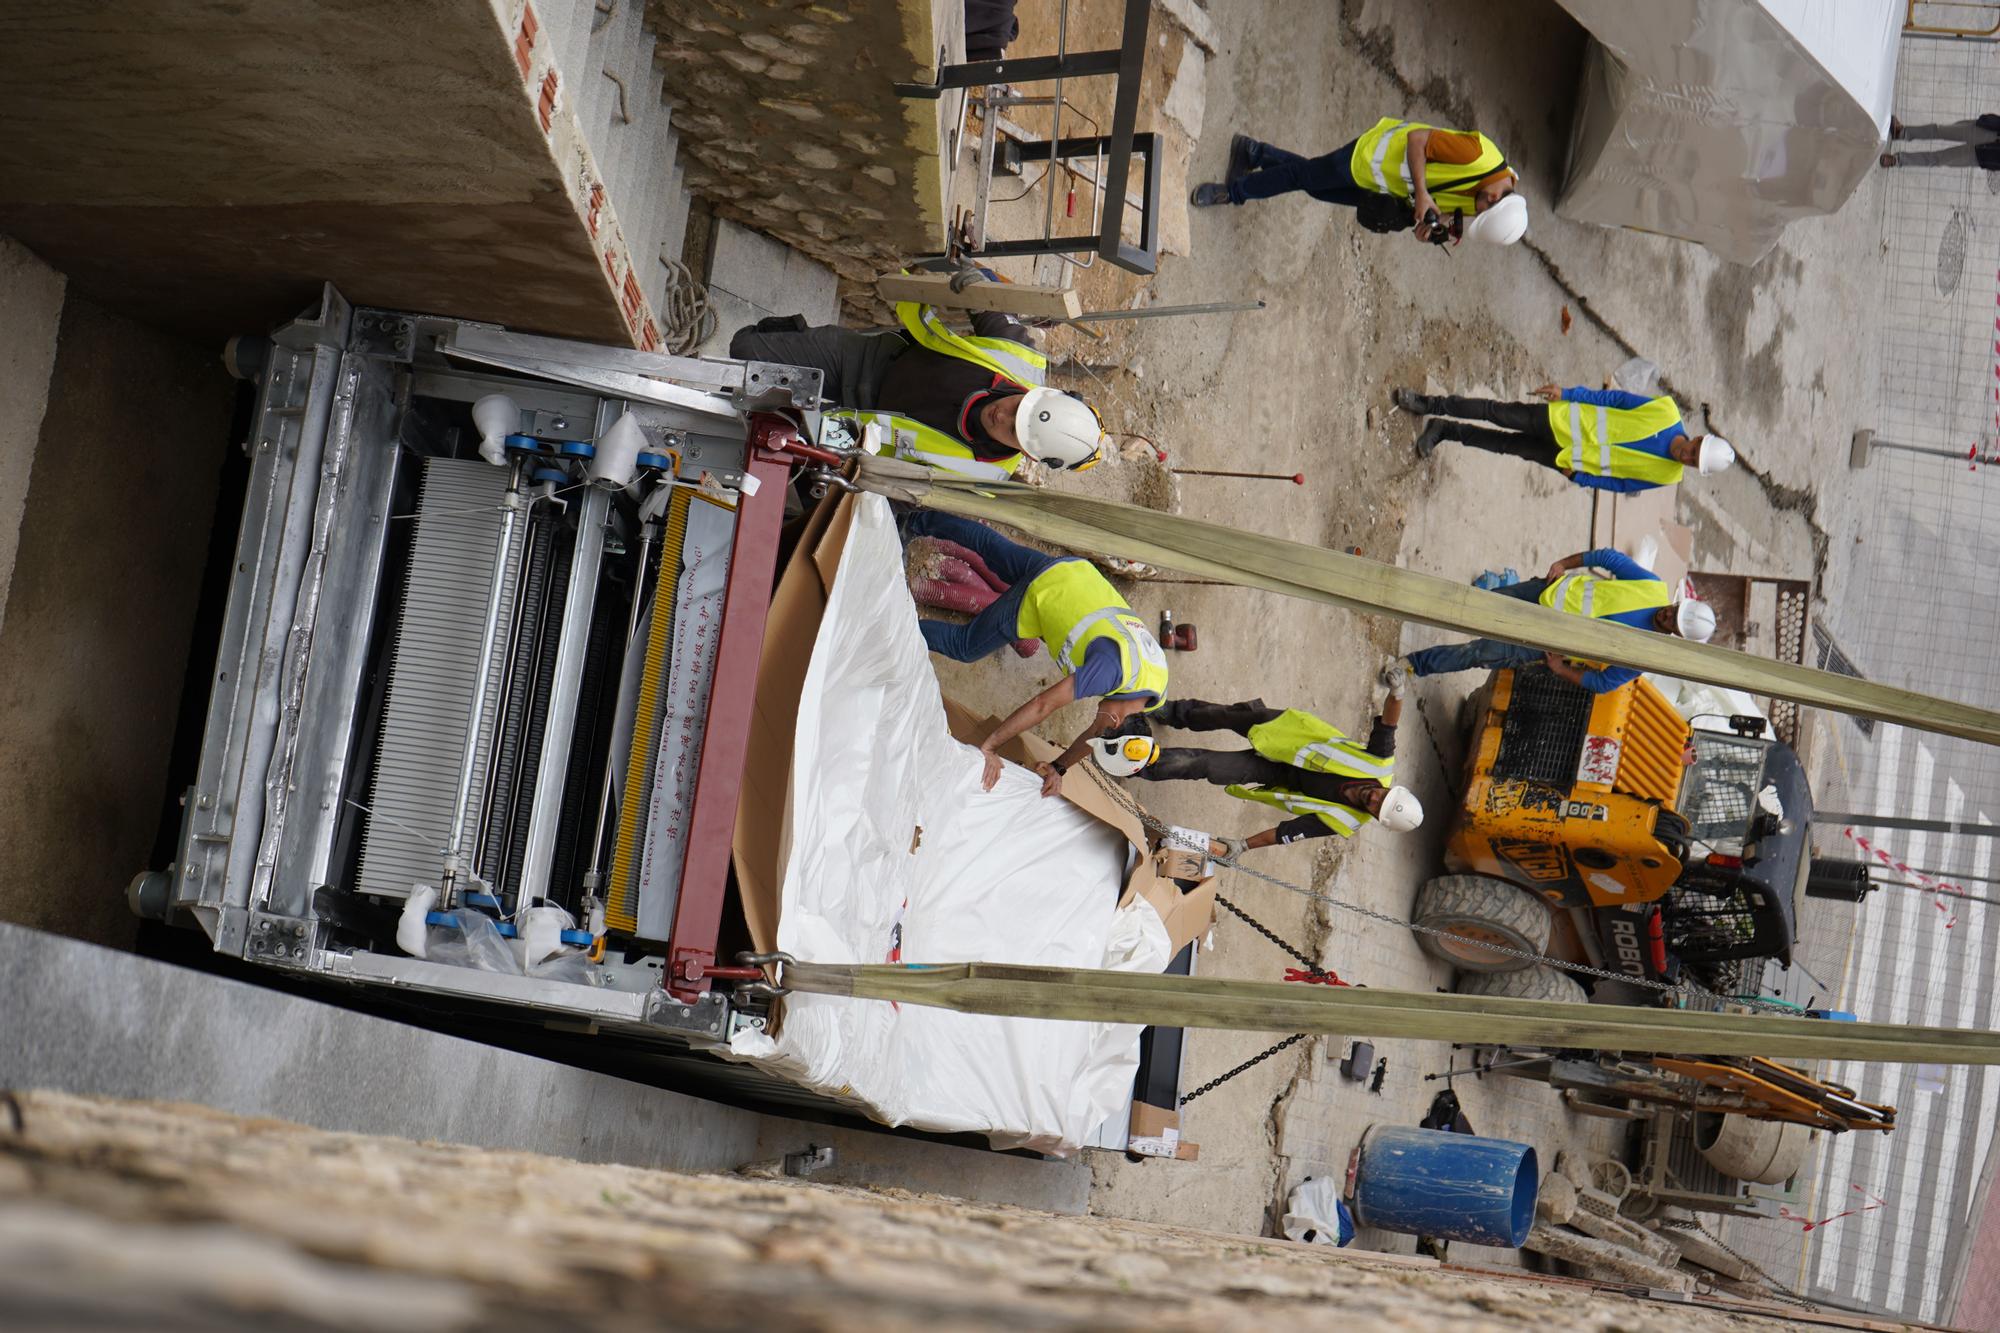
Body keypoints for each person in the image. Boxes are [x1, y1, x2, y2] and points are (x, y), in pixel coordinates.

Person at [899, 510, 1167, 797]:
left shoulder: (1153, 690)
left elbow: (1094, 734)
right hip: (1046, 596)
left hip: (1076, 575)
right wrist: (989, 746)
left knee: (994, 551)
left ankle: (913, 518)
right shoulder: (1110, 671)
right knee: (964, 646)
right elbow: (1043, 705)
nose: (1093, 725)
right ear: (1115, 722)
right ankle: (889, 621)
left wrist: (1059, 767)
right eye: (1100, 726)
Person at [728, 295, 1105, 478]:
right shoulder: (1017, 355)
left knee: (755, 428)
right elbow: (980, 291)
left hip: (855, 436)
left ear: (1026, 452)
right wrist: (961, 271)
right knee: (744, 352)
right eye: (1018, 407)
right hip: (867, 360)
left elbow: (910, 494)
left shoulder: (983, 474)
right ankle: (795, 335)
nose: (1002, 414)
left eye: (1013, 429)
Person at [1095, 690, 1422, 861]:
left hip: (1273, 772)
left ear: (1376, 817)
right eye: (1383, 794)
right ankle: (1174, 712)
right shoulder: (1378, 765)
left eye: (1378, 806)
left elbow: (1287, 833)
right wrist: (1398, 691)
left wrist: (1243, 845)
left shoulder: (1344, 822)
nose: (1375, 797)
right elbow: (1389, 724)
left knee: (1204, 766)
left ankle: (1136, 763)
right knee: (1225, 716)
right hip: (1287, 734)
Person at [1393, 549, 1718, 695]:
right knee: (1474, 604)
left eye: (1672, 620)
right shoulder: (1652, 587)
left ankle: (1412, 665)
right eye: (1673, 609)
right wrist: (1564, 563)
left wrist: (1561, 669)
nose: (1666, 614)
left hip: (1541, 644)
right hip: (1544, 594)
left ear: (1677, 633)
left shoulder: (1645, 654)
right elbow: (1608, 557)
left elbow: (1603, 684)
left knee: (1475, 653)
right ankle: (1413, 600)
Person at [1188, 120, 1529, 248]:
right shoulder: (1477, 154)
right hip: (1371, 157)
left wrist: (1428, 229)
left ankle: (1254, 151)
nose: (1476, 210)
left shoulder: (1488, 200)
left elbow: (1443, 207)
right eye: (1483, 208)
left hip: (1384, 187)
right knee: (1301, 178)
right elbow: (1416, 140)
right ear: (1498, 196)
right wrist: (1424, 194)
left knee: (1313, 185)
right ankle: (1234, 191)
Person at [1393, 382, 1734, 491]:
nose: (1686, 458)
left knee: (1504, 445)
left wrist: (1582, 478)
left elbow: (1622, 484)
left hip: (1569, 459)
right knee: (1496, 412)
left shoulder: (1669, 476)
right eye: (1694, 451)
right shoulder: (1666, 412)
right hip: (1564, 421)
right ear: (1699, 439)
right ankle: (1428, 404)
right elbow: (1615, 400)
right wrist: (1569, 393)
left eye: (1692, 463)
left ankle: (1444, 431)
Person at [1880, 114, 2000, 170]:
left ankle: (1898, 160)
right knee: (1940, 130)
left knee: (1940, 159)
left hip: (1990, 156)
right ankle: (1902, 133)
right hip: (1991, 128)